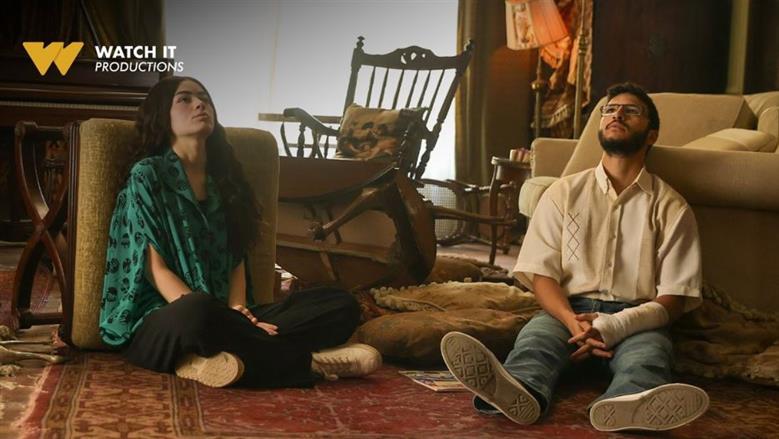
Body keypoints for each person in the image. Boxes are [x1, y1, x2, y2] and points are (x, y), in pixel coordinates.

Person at [441, 82, 709, 432]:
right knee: (534, 344)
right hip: (568, 311)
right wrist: (573, 322)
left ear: (652, 135)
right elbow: (542, 276)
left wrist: (614, 326)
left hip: (638, 319)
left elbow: (673, 300)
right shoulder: (562, 193)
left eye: (631, 111)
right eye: (610, 109)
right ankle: (518, 390)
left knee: (648, 359)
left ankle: (628, 405)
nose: (617, 114)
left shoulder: (672, 207)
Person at [99, 76, 381, 388]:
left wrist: (238, 312)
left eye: (204, 97)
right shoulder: (148, 174)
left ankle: (211, 359)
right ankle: (307, 362)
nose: (200, 104)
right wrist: (234, 321)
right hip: (166, 319)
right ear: (162, 115)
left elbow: (236, 258)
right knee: (197, 309)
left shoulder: (225, 179)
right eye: (185, 99)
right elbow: (156, 270)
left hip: (226, 315)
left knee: (341, 304)